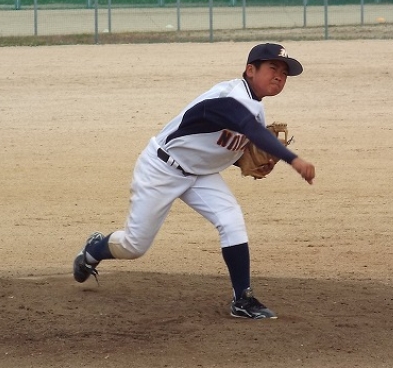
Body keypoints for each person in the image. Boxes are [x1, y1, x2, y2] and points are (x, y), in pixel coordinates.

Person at [73, 43, 316, 319]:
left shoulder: (256, 108)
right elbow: (247, 127)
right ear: (251, 70)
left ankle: (243, 300)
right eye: (273, 68)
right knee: (133, 246)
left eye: (284, 73)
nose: (279, 76)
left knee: (231, 220)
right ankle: (94, 249)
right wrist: (293, 159)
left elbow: (220, 143)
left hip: (199, 174)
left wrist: (242, 161)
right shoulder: (229, 97)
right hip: (161, 168)